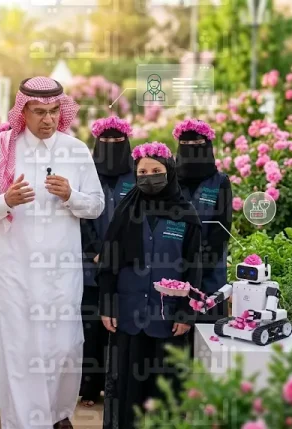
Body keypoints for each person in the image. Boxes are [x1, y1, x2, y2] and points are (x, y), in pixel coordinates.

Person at [0, 76, 104, 429]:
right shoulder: (1, 150)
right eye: (39, 112)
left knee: (65, 346)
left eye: (54, 111)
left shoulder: (75, 150)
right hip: (16, 272)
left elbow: (96, 206)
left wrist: (71, 196)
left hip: (62, 273)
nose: (48, 119)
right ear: (23, 112)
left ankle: (59, 414)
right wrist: (6, 200)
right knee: (20, 349)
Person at [96, 142, 202, 429]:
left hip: (168, 318)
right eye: (142, 172)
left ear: (169, 171)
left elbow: (194, 267)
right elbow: (108, 264)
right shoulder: (125, 212)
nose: (149, 177)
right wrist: (107, 305)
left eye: (156, 171)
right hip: (128, 316)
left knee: (164, 389)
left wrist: (186, 312)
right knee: (127, 389)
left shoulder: (186, 214)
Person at [78, 116, 136, 408]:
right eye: (106, 141)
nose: (111, 146)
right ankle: (90, 387)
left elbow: (139, 218)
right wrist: (95, 250)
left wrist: (117, 251)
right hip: (91, 266)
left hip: (125, 265)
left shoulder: (136, 175)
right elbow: (79, 215)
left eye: (117, 141)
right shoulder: (86, 174)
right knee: (91, 328)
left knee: (119, 326)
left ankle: (116, 385)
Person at [172, 119, 232, 323]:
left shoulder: (220, 182)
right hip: (173, 268)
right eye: (185, 145)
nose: (191, 149)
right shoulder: (170, 181)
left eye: (197, 144)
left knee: (208, 330)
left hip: (210, 272)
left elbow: (222, 230)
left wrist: (199, 270)